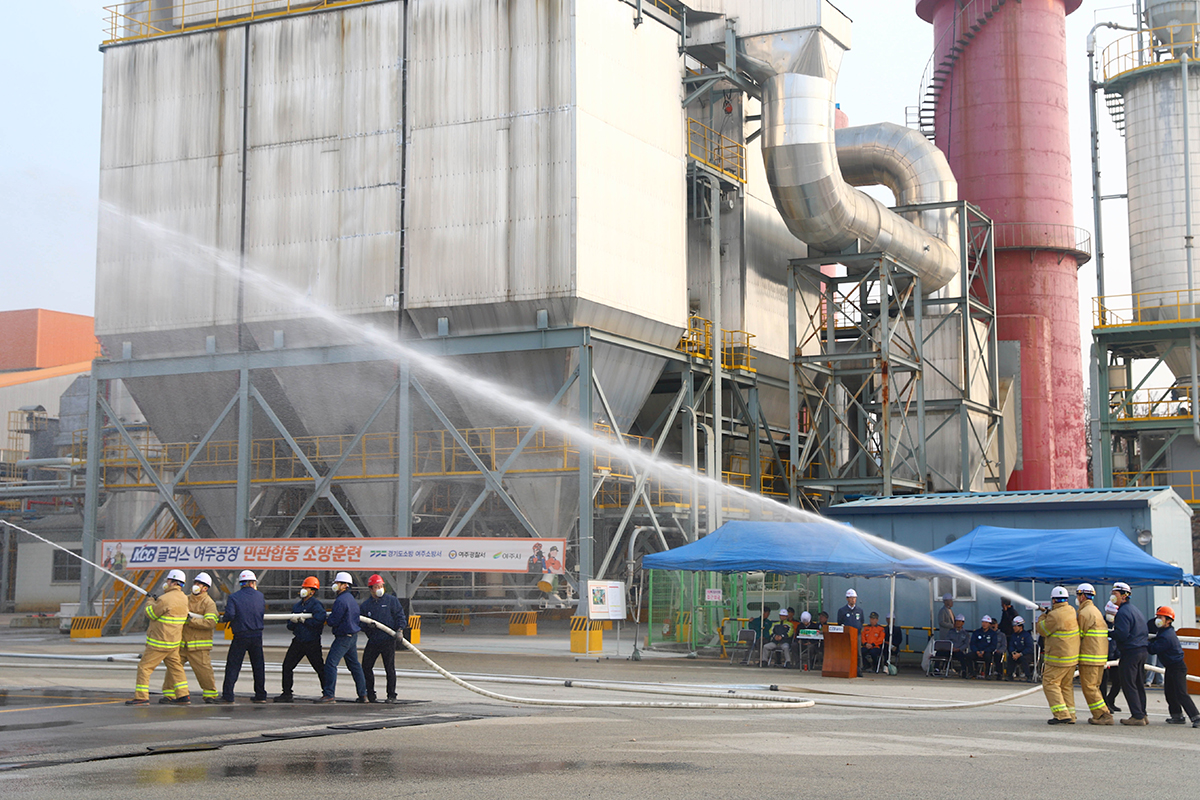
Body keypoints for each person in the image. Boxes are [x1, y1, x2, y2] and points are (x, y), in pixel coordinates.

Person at [126, 568, 190, 705]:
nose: (166, 582)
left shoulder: (164, 598)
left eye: (168, 580)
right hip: (173, 643)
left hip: (159, 642)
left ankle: (141, 697)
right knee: (176, 668)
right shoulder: (184, 598)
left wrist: (150, 601)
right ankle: (183, 695)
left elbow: (152, 614)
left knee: (144, 667)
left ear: (172, 582)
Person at [163, 571, 219, 704]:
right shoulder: (185, 599)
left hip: (199, 646)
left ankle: (210, 694)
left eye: (199, 584)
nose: (196, 585)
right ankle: (169, 694)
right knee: (173, 670)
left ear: (206, 588)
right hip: (182, 644)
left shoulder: (209, 603)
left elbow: (210, 622)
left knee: (204, 672)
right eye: (195, 583)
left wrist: (191, 620)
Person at [317, 571, 367, 703]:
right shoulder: (351, 599)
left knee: (330, 664)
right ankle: (363, 694)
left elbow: (334, 620)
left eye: (337, 583)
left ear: (345, 585)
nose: (335, 585)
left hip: (343, 637)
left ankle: (329, 694)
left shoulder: (341, 600)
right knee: (354, 665)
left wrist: (327, 619)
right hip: (352, 636)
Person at [275, 576, 327, 703]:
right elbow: (289, 625)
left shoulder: (316, 605)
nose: (303, 590)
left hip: (312, 642)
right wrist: (293, 622)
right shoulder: (298, 605)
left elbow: (319, 621)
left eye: (306, 588)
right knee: (287, 666)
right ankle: (286, 693)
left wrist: (305, 621)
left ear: (313, 591)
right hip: (298, 640)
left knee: (319, 668)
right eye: (303, 588)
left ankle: (327, 693)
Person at [1146, 605, 1200, 727]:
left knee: (1181, 693)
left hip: (1177, 667)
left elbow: (1153, 649)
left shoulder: (1167, 636)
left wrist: (1144, 642)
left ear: (1169, 621)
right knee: (1170, 692)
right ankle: (1177, 716)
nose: (1158, 619)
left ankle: (1196, 717)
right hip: (1171, 666)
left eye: (1161, 617)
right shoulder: (1164, 631)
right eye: (1157, 616)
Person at [219, 569, 267, 704]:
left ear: (241, 583)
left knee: (233, 666)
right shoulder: (260, 596)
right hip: (257, 635)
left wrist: (222, 619)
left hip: (241, 635)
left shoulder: (234, 597)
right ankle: (260, 695)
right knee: (258, 666)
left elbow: (230, 615)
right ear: (253, 583)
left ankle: (228, 695)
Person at [1037, 586, 1080, 725]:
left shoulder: (1054, 616)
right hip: (1072, 657)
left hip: (1058, 658)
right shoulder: (1071, 610)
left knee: (1050, 683)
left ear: (1053, 600)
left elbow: (1042, 630)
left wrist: (1043, 616)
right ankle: (1071, 715)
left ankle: (1061, 714)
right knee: (1066, 686)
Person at [360, 573, 406, 703]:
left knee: (389, 668)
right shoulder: (366, 605)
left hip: (388, 640)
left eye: (381, 586)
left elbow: (400, 616)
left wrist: (399, 630)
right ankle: (370, 694)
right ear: (371, 589)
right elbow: (361, 622)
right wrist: (369, 628)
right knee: (366, 667)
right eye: (376, 586)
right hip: (374, 640)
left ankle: (391, 695)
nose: (379, 588)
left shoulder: (391, 601)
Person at [1111, 581, 1150, 726]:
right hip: (1141, 651)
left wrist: (1108, 633)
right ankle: (1143, 713)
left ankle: (1137, 715)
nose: (1112, 596)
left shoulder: (1123, 612)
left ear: (1124, 596)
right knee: (1139, 684)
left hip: (1130, 652)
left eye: (1115, 594)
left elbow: (1122, 634)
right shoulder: (1135, 610)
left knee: (1129, 684)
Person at [1075, 583, 1114, 725]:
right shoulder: (1096, 611)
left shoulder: (1084, 613)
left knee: (1089, 687)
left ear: (1083, 596)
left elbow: (1078, 636)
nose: (1077, 598)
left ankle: (1103, 714)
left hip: (1089, 657)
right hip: (1100, 657)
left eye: (1078, 595)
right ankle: (1100, 714)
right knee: (1095, 687)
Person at [1099, 601, 1122, 713]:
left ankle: (1111, 700)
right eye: (1109, 613)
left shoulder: (1119, 623)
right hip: (1103, 658)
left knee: (1118, 681)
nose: (1111, 615)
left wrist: (1118, 655)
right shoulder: (1100, 623)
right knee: (1103, 683)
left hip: (1115, 658)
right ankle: (1105, 704)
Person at [1004, 615, 1035, 682]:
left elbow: (1030, 647)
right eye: (1013, 626)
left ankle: (1028, 676)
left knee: (1024, 659)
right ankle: (1009, 675)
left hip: (1026, 654)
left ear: (1020, 627)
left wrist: (1021, 654)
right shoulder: (1013, 636)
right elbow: (1011, 646)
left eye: (1015, 626)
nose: (1014, 628)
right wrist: (1013, 653)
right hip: (1016, 654)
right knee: (1010, 658)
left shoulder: (1027, 635)